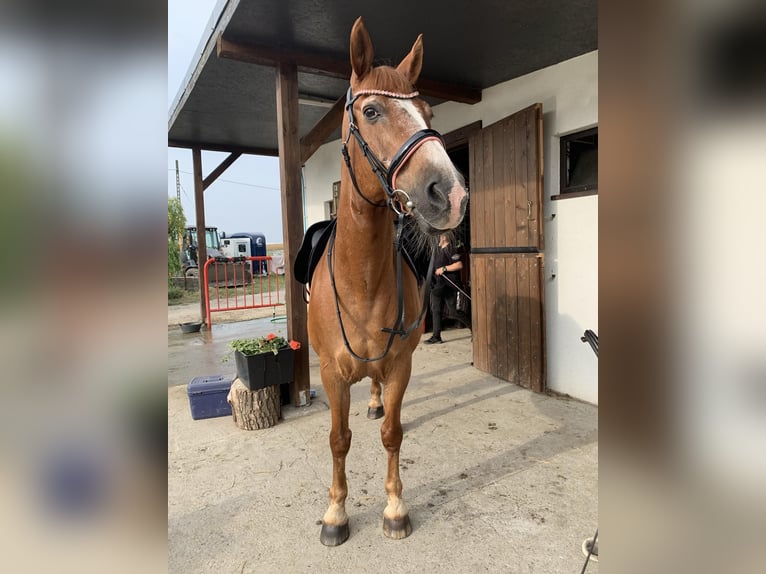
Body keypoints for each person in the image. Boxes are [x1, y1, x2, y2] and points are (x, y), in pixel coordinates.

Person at [424, 234, 471, 344]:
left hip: (450, 286)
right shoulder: (438, 250)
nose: (438, 239)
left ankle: (474, 328)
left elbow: (459, 265)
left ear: (444, 237)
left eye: (439, 237)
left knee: (454, 312)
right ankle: (436, 336)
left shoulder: (451, 249)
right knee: (435, 310)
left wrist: (444, 268)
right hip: (439, 286)